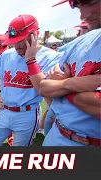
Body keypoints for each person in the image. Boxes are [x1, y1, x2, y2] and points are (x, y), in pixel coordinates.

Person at [0, 14, 62, 146]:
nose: (16, 45)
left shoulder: (51, 57)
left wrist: (30, 60)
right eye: (14, 41)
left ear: (35, 34)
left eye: (21, 40)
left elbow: (48, 91)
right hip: (5, 111)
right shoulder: (6, 55)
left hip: (27, 113)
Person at [38, 0, 101, 146]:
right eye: (79, 6)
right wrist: (71, 83)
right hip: (57, 134)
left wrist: (62, 85)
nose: (83, 15)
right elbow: (43, 87)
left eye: (91, 2)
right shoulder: (78, 43)